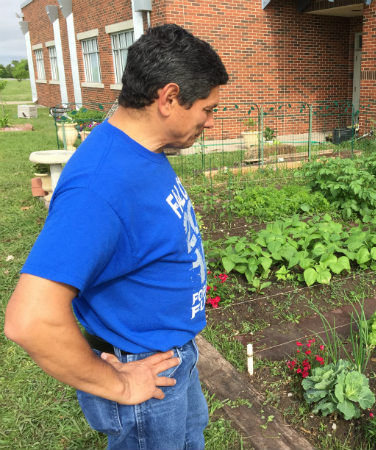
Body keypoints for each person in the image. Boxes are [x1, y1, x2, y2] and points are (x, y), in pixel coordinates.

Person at [4, 24, 228, 449]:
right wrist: (121, 386)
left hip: (171, 355)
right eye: (208, 109)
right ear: (169, 98)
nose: (211, 122)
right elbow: (29, 320)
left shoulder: (142, 149)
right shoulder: (99, 186)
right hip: (141, 370)